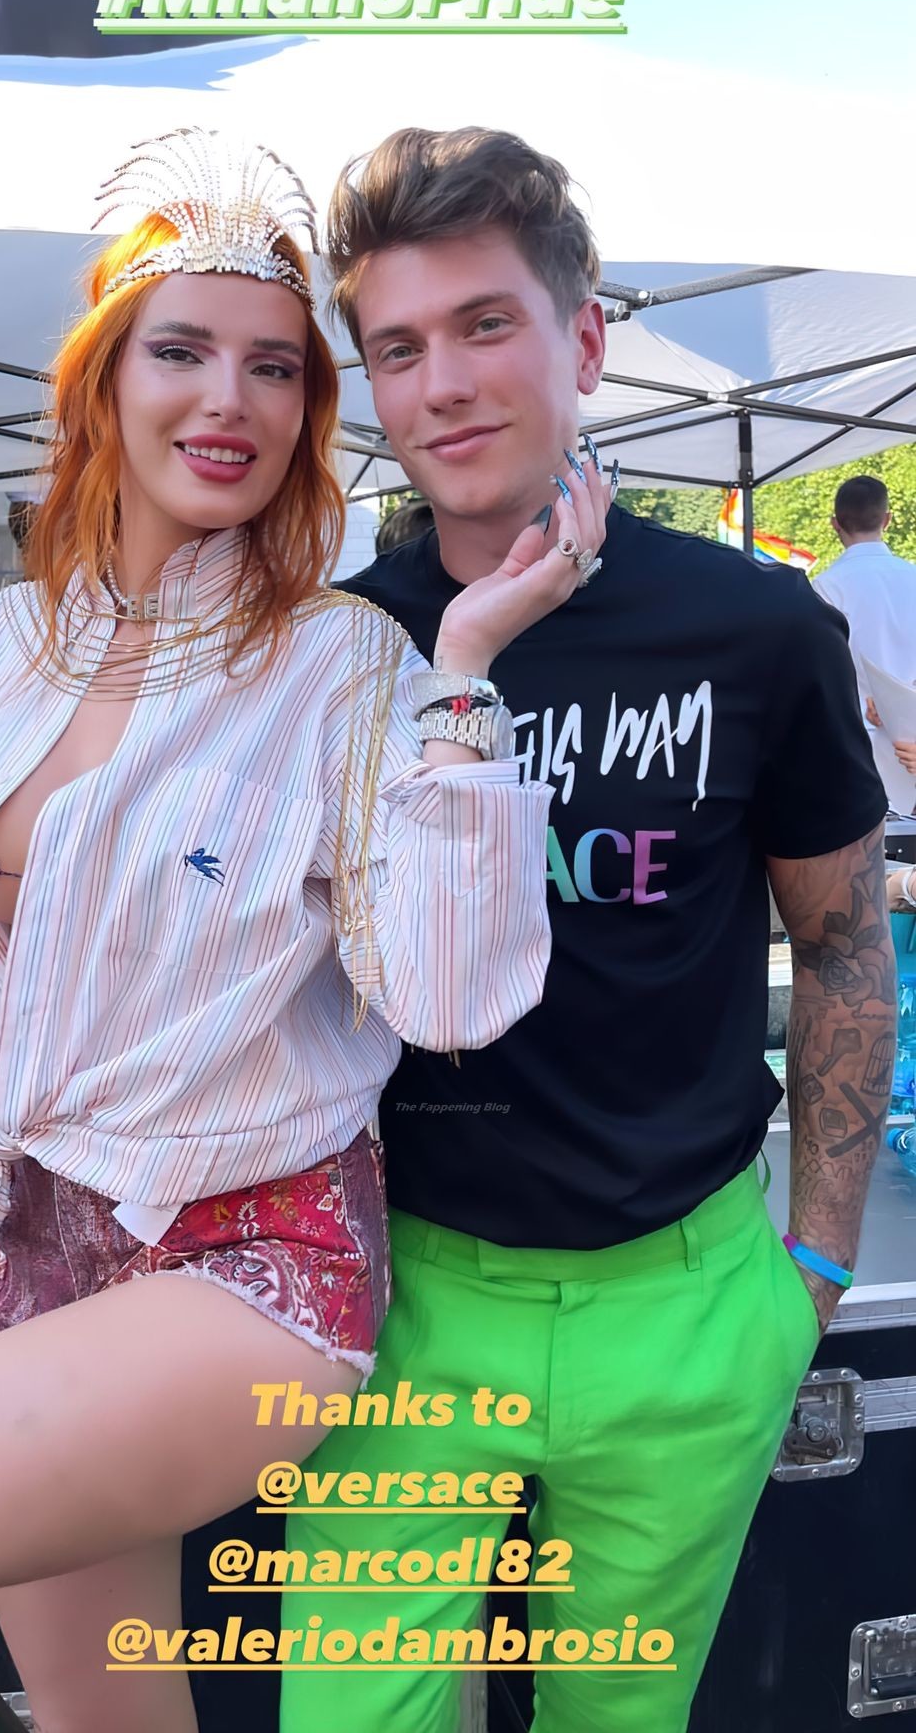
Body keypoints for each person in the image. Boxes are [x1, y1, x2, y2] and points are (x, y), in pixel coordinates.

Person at [0, 127, 608, 1733]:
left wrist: (465, 678)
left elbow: (450, 999)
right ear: (105, 378)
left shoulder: (348, 665)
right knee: (98, 1716)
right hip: (24, 1253)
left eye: (275, 368)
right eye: (182, 350)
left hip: (252, 1270)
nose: (230, 401)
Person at [279, 126, 896, 1733]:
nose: (441, 385)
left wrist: (814, 1266)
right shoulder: (338, 651)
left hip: (685, 1305)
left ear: (586, 339)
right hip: (397, 1304)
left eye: (486, 323)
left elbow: (842, 942)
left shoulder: (758, 627)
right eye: (396, 348)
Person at [814, 474, 916, 805]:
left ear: (835, 524)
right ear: (887, 519)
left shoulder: (826, 586)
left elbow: (824, 672)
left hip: (857, 748)